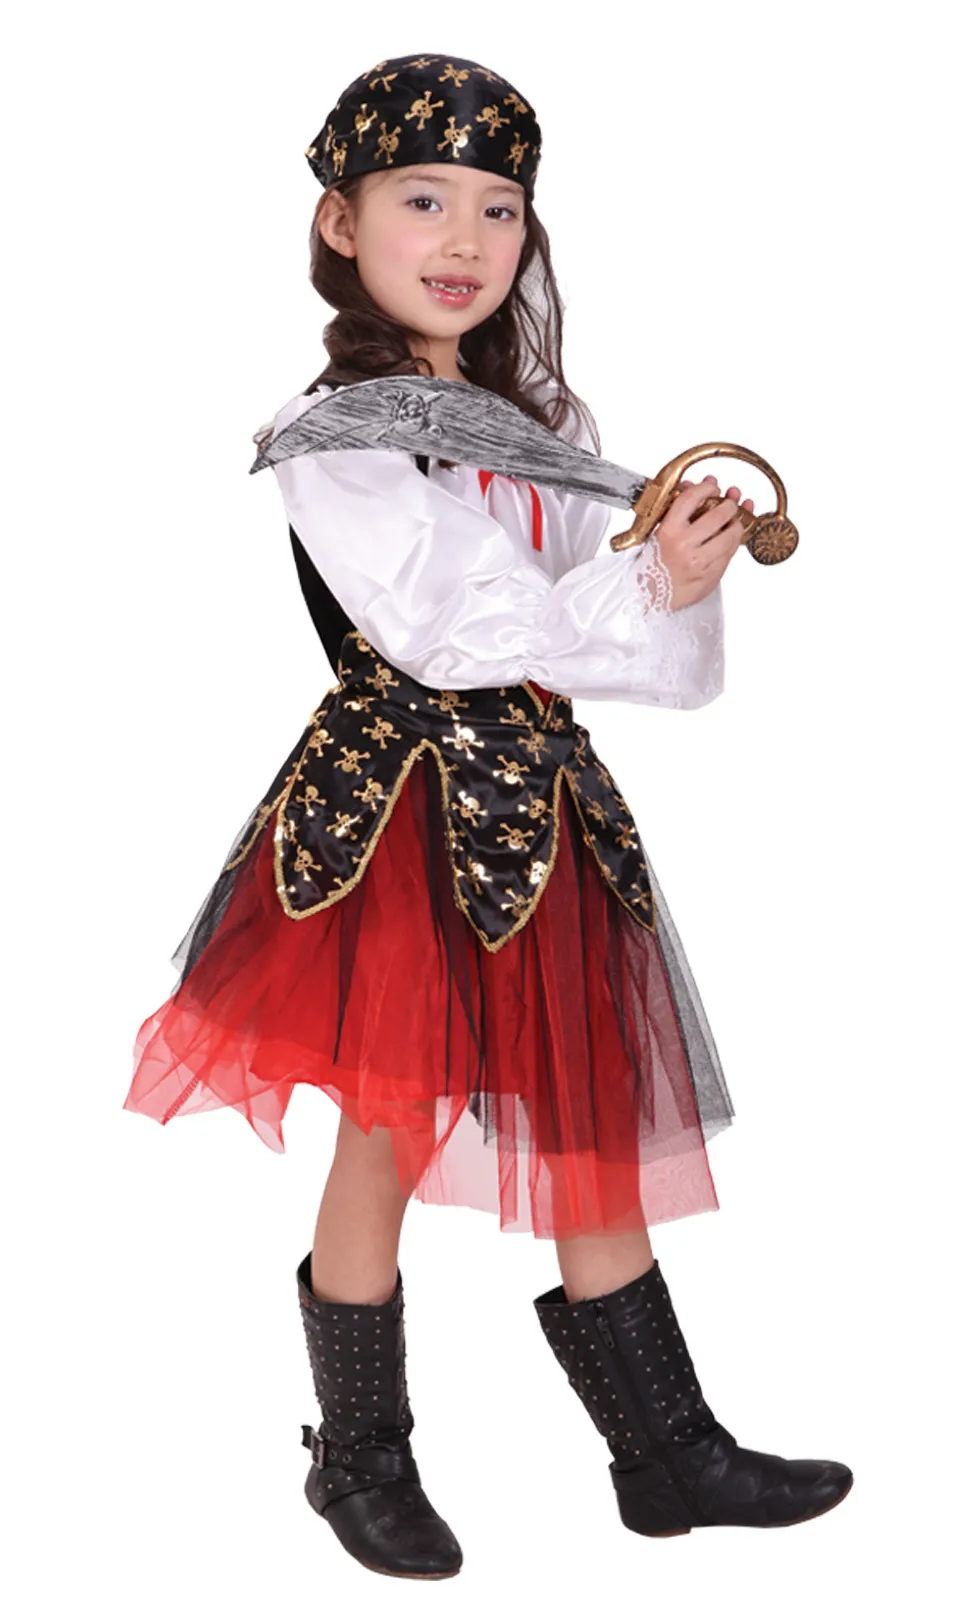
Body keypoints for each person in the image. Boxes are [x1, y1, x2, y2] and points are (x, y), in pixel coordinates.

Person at [123, 51, 853, 1581]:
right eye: (423, 200)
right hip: (397, 813)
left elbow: (620, 647)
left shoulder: (544, 418)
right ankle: (358, 1457)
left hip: (539, 805)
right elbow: (451, 627)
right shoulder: (338, 432)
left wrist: (673, 573)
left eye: (499, 209)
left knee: (588, 1121)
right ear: (342, 223)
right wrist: (637, 582)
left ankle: (667, 1454)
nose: (465, 238)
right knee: (390, 1123)